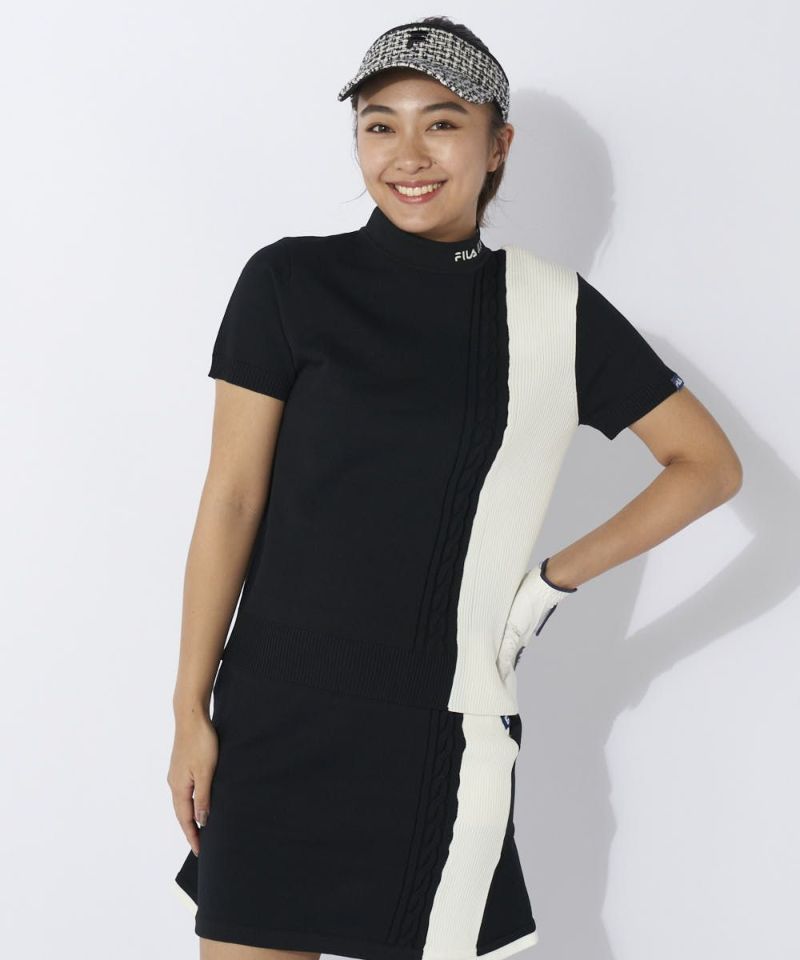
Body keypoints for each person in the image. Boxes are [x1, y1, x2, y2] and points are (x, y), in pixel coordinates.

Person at [167, 15, 743, 960]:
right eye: (379, 124)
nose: (408, 154)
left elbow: (709, 467)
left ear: (497, 144)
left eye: (442, 123)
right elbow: (231, 500)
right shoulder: (287, 281)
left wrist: (551, 581)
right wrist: (190, 711)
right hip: (274, 718)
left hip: (441, 728)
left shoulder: (552, 310)